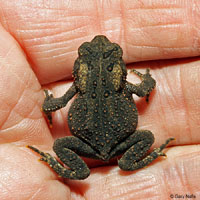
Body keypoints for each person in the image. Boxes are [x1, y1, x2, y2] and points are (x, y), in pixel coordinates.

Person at [0, 1, 199, 199]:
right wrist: (147, 77)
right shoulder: (122, 86)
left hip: (89, 147)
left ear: (80, 69)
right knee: (147, 137)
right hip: (119, 143)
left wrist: (48, 98)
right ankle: (128, 162)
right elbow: (146, 88)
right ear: (120, 68)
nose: (100, 40)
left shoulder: (80, 86)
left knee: (59, 145)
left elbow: (50, 105)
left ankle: (77, 171)